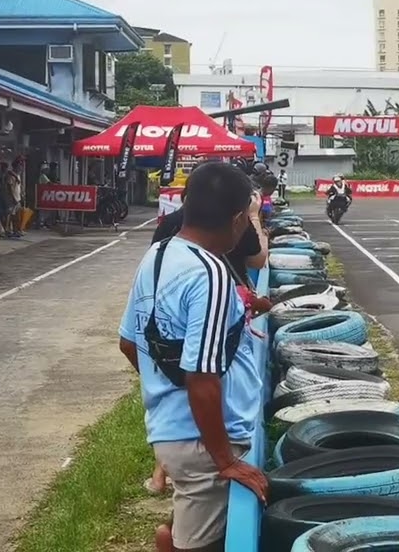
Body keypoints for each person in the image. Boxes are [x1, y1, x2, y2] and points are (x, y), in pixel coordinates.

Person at [120, 162, 269, 552]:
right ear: (238, 219)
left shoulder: (157, 255)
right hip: (205, 442)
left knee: (182, 530)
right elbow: (203, 377)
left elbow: (130, 343)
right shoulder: (212, 274)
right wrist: (224, 461)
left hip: (171, 431)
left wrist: (166, 390)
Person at [3, 158, 25, 238]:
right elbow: (10, 188)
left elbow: (18, 187)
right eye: (20, 165)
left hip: (17, 197)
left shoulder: (17, 175)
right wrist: (13, 198)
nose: (21, 167)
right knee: (9, 215)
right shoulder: (10, 175)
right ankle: (7, 231)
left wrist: (21, 194)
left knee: (16, 216)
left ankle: (16, 230)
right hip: (11, 199)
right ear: (16, 166)